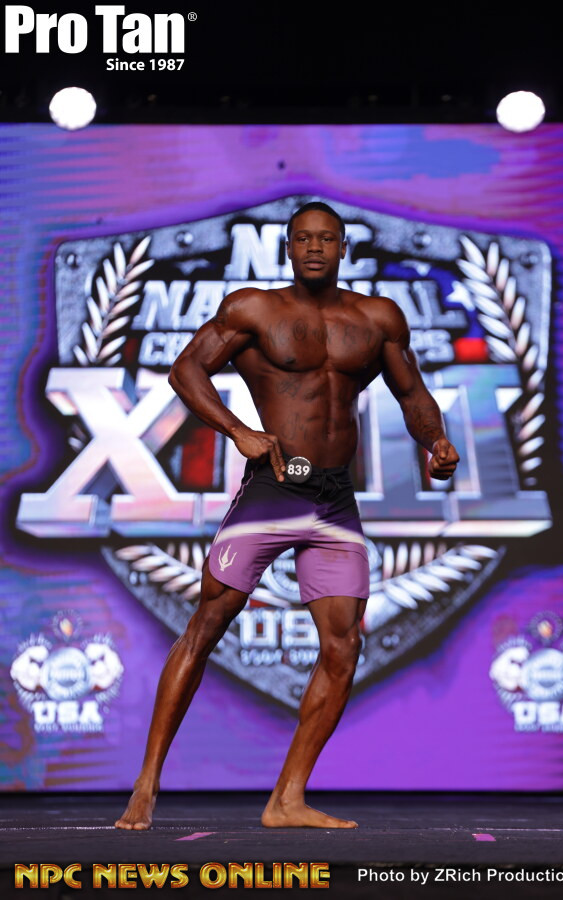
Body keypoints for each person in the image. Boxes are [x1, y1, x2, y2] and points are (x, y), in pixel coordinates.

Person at [115, 201, 459, 831]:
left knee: (344, 645)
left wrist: (434, 439)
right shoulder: (255, 309)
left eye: (326, 239)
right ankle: (146, 782)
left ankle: (287, 799)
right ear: (289, 247)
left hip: (333, 499)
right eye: (303, 239)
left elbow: (412, 394)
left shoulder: (377, 318)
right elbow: (185, 370)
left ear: (344, 247)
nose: (315, 248)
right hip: (272, 490)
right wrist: (237, 430)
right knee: (208, 622)